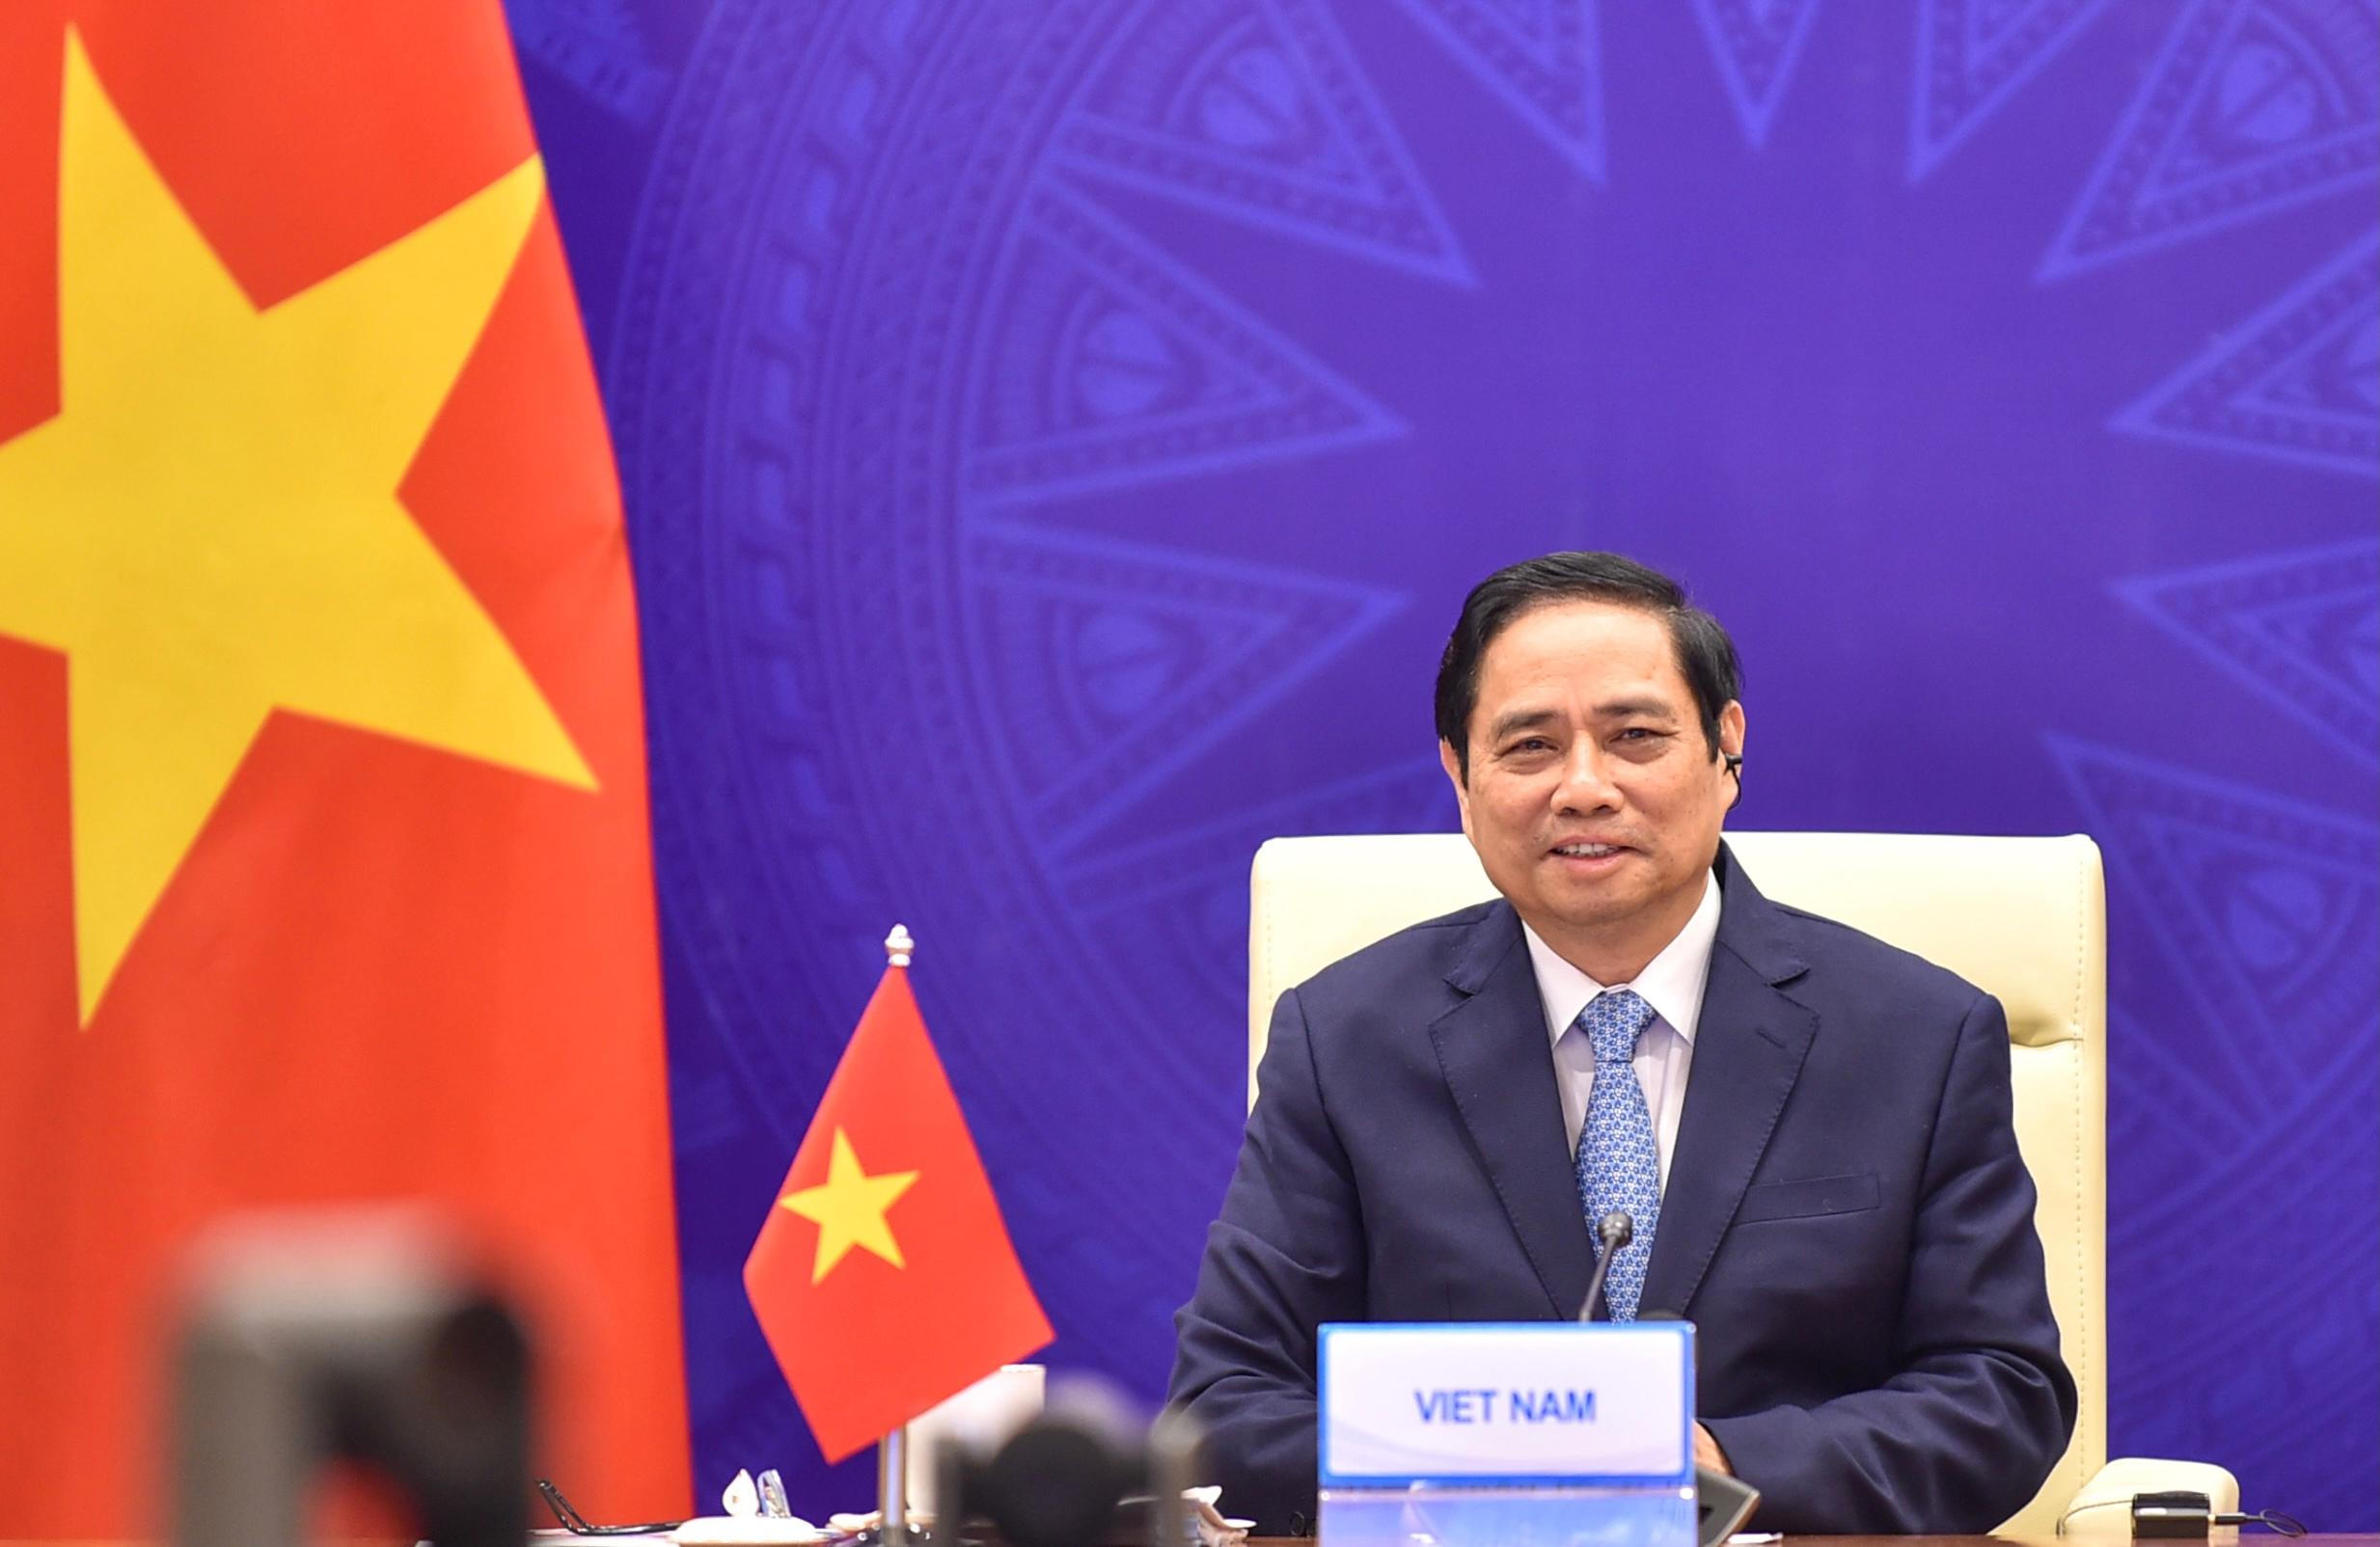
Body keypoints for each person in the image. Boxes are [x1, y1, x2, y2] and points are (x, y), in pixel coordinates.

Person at [1167, 552, 2075, 1534]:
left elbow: (2000, 1393)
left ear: (1726, 749)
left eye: (1635, 736)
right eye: (1529, 746)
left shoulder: (1916, 1035)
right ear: (1459, 777)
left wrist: (1711, 1466)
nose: (1584, 787)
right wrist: (1507, 1468)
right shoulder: (1343, 1038)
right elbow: (1223, 1403)